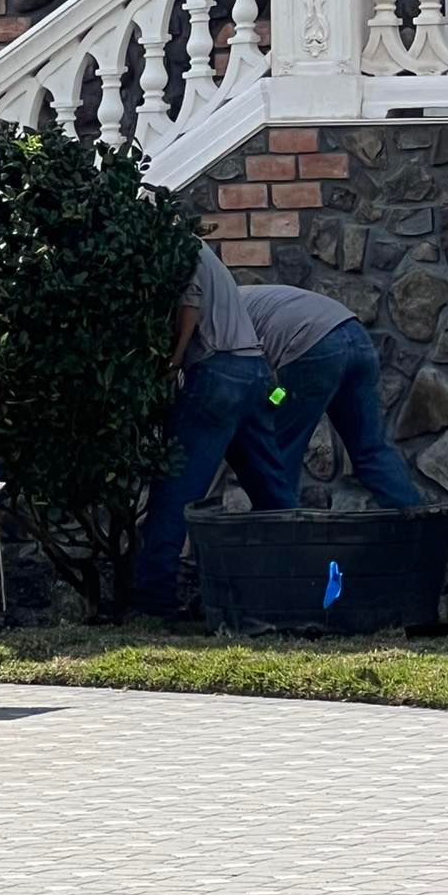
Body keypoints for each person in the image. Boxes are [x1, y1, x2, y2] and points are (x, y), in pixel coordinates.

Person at [131, 241, 295, 619]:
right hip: (254, 371)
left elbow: (190, 303)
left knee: (174, 493)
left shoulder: (173, 246)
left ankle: (154, 601)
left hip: (217, 374)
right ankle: (303, 586)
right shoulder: (203, 249)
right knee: (272, 491)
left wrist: (172, 362)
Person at [241, 283, 423, 507]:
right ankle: (421, 529)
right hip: (357, 339)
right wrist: (275, 398)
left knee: (277, 453)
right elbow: (278, 385)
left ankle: (276, 534)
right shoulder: (248, 298)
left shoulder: (218, 318)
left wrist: (271, 403)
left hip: (314, 345)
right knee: (370, 449)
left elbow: (261, 384)